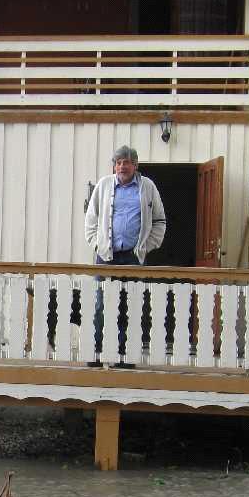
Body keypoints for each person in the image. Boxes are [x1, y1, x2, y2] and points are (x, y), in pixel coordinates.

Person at [83, 145, 167, 364]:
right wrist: (96, 243)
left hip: (133, 256)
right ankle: (97, 354)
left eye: (127, 163)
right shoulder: (103, 185)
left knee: (130, 305)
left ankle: (125, 355)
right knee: (101, 305)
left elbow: (159, 220)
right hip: (106, 255)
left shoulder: (147, 187)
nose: (122, 167)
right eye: (119, 163)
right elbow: (91, 218)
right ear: (114, 166)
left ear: (135, 165)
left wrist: (147, 246)